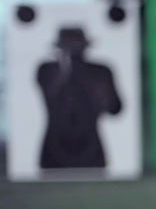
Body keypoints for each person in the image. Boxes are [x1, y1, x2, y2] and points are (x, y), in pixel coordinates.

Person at [37, 27, 123, 170]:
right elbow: (51, 97)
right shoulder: (47, 70)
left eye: (76, 48)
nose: (74, 54)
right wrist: (65, 69)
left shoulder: (100, 72)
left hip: (91, 149)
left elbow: (115, 108)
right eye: (68, 48)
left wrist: (98, 90)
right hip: (54, 148)